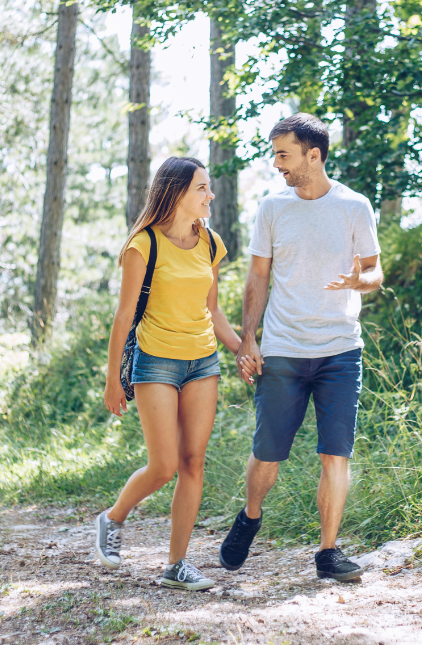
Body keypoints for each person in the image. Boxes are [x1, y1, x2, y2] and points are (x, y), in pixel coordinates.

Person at [218, 113, 383, 582]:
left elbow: (375, 271)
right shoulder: (273, 208)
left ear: (314, 155)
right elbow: (258, 276)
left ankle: (328, 552)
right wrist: (248, 338)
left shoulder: (355, 206)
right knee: (267, 452)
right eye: (275, 155)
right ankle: (251, 515)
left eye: (283, 155)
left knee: (336, 453)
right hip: (284, 348)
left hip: (340, 350)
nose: (277, 164)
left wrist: (361, 281)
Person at [96, 156, 241, 591]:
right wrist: (112, 380)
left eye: (208, 186)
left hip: (203, 363)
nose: (210, 194)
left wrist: (242, 351)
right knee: (163, 466)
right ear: (177, 193)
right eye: (201, 187)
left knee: (193, 462)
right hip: (156, 361)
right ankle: (112, 518)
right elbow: (124, 316)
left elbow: (213, 310)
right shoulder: (143, 245)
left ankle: (176, 564)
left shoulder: (211, 243)